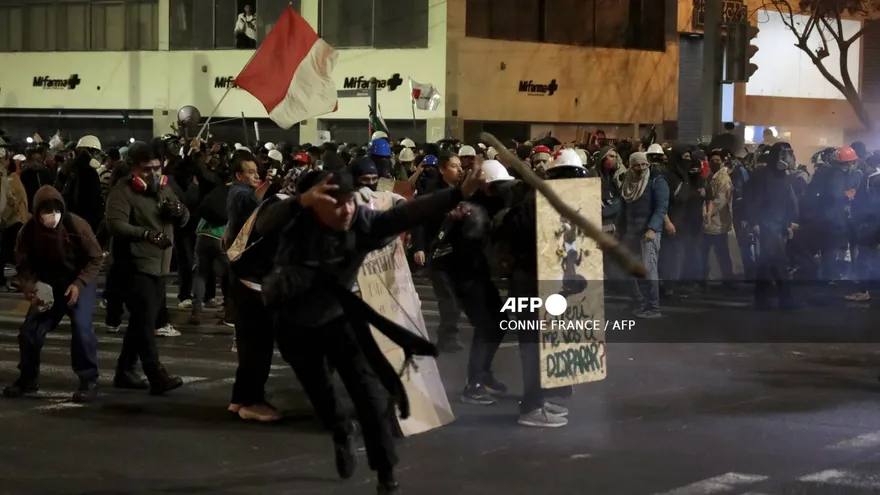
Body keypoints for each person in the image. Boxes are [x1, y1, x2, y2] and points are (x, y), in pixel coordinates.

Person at [265, 163, 485, 495]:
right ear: (313, 202)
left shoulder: (362, 223)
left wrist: (456, 194)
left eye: (350, 200)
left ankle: (386, 476)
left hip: (340, 317)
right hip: (295, 325)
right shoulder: (294, 222)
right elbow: (264, 223)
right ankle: (341, 431)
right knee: (322, 395)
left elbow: (407, 214)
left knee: (371, 398)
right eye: (335, 202)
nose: (346, 209)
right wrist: (298, 202)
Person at [3, 185, 103, 403]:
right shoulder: (28, 231)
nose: (52, 216)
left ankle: (89, 379)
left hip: (78, 282)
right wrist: (30, 286)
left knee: (81, 327)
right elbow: (22, 264)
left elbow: (96, 258)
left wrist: (79, 283)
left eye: (56, 210)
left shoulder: (76, 225)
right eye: (46, 211)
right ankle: (28, 378)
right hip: (48, 285)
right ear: (36, 212)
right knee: (30, 331)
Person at [105, 141, 189, 395]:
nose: (152, 174)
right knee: (144, 323)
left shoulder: (164, 190)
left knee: (143, 320)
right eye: (145, 169)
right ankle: (156, 374)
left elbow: (184, 218)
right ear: (132, 168)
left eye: (156, 168)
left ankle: (125, 371)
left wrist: (179, 211)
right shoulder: (122, 192)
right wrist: (146, 234)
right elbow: (115, 225)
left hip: (159, 266)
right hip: (134, 265)